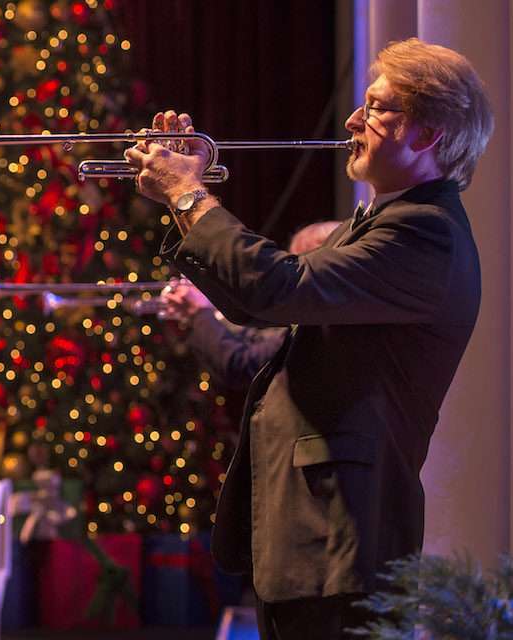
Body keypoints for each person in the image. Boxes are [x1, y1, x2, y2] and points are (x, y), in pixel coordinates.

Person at [123, 38, 491, 639]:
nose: (353, 119)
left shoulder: (426, 233)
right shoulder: (373, 223)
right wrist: (180, 203)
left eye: (377, 108)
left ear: (428, 135)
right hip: (308, 538)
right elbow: (252, 305)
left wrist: (188, 194)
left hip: (342, 538)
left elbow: (275, 288)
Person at [162, 221, 343, 391]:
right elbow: (256, 337)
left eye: (296, 265)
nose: (289, 278)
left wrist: (199, 313)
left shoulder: (321, 322)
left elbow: (239, 365)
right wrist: (209, 314)